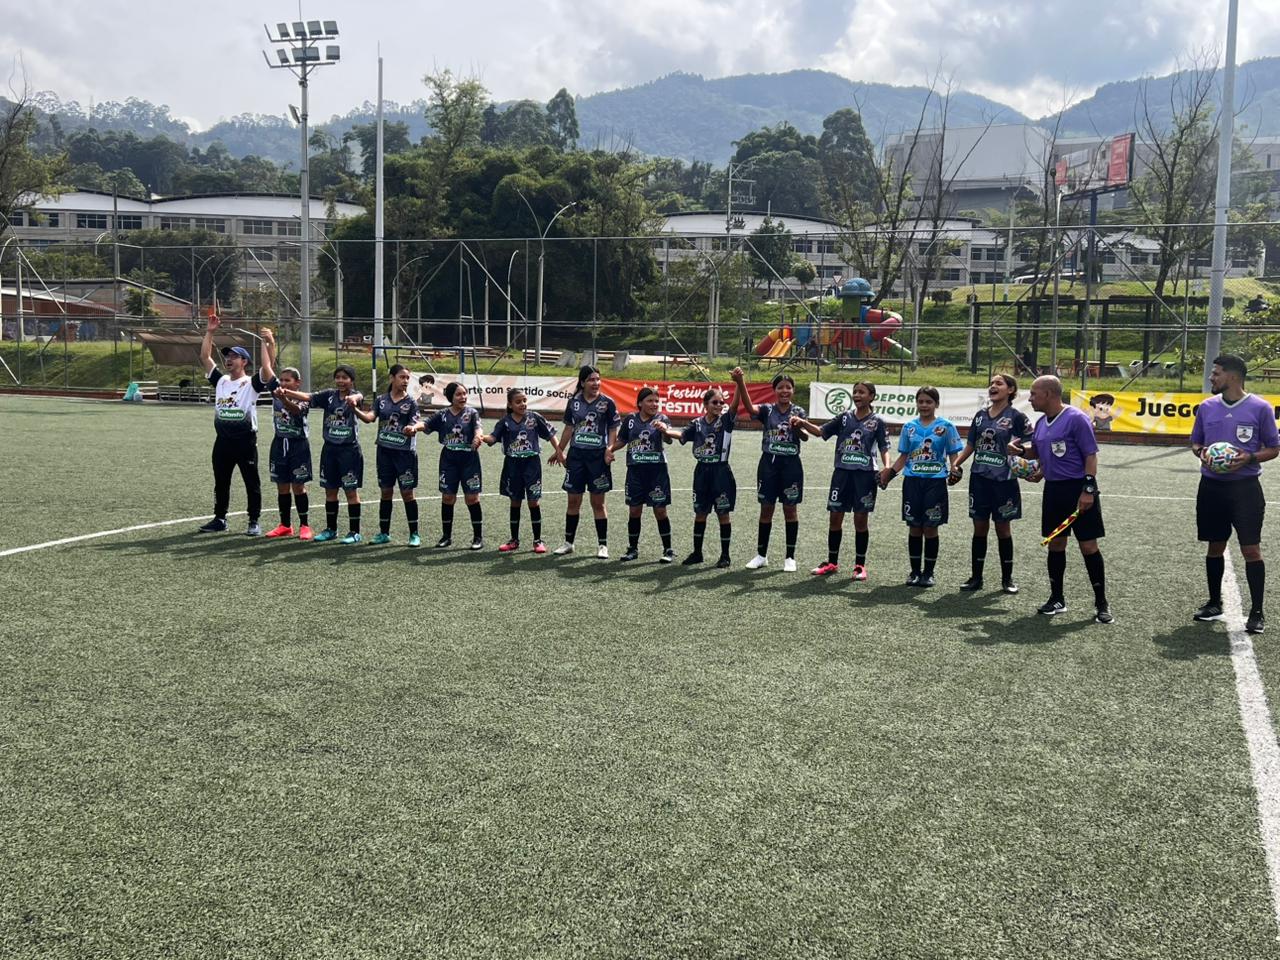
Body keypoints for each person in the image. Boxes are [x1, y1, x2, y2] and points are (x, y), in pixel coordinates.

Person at [1190, 355, 1280, 633]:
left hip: (1245, 490)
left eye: (1216, 373)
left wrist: (1249, 458)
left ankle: (1256, 611)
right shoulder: (1206, 407)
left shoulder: (1260, 408)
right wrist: (1203, 454)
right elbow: (1195, 443)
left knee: (1250, 549)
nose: (1211, 377)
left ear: (1232, 376)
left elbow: (1274, 448)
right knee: (1215, 546)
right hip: (1212, 488)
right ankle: (1214, 602)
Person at [1023, 375, 1112, 622]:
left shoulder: (1076, 419)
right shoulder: (1041, 422)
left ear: (1049, 394)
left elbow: (1090, 456)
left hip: (1078, 489)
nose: (1030, 398)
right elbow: (1040, 454)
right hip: (1053, 491)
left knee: (1088, 546)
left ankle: (1101, 603)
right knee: (1056, 544)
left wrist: (1088, 490)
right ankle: (1057, 598)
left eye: (1033, 394)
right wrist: (1026, 459)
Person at [793, 381, 888, 580]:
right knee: (835, 517)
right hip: (842, 474)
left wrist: (887, 468)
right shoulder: (845, 417)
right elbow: (820, 432)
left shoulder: (877, 421)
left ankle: (860, 566)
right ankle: (832, 562)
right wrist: (802, 423)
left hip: (865, 476)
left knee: (860, 521)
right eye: (855, 392)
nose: (857, 395)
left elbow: (883, 447)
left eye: (862, 392)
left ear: (871, 396)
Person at [951, 374, 1032, 593]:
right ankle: (976, 577)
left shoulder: (1017, 417)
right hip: (979, 479)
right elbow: (971, 445)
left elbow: (1033, 442)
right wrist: (956, 464)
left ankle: (1007, 579)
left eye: (999, 383)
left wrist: (1023, 455)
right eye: (992, 383)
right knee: (979, 528)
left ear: (1011, 390)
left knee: (1003, 529)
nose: (993, 386)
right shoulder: (980, 416)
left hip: (1004, 481)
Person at [196, 315, 277, 535]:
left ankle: (254, 521)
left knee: (251, 482)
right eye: (228, 356)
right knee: (221, 482)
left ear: (245, 362)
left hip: (245, 441)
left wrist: (268, 342)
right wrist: (210, 331)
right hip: (222, 442)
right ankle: (219, 518)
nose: (229, 359)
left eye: (235, 356)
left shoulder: (251, 383)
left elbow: (269, 367)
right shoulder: (221, 381)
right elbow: (205, 356)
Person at [879, 386, 964, 587]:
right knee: (915, 527)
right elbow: (904, 456)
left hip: (935, 483)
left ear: (936, 404)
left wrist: (955, 469)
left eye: (929, 402)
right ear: (916, 403)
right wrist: (889, 474)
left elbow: (954, 455)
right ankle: (915, 572)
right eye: (921, 401)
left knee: (931, 527)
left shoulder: (946, 426)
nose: (924, 405)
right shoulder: (909, 427)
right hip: (912, 482)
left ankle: (929, 573)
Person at [278, 364, 365, 544]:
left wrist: (355, 398)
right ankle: (331, 529)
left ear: (351, 380)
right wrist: (287, 392)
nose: (341, 381)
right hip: (329, 450)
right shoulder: (329, 396)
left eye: (345, 377)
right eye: (338, 377)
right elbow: (309, 397)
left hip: (349, 451)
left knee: (351, 492)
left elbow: (359, 396)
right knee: (330, 491)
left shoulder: (354, 396)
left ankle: (355, 532)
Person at [732, 367, 807, 572]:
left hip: (791, 466)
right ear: (774, 390)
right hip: (768, 465)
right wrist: (740, 382)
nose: (785, 391)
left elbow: (805, 437)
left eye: (788, 388)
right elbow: (749, 408)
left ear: (793, 390)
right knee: (766, 509)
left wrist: (798, 426)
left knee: (790, 510)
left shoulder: (798, 411)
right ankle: (761, 555)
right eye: (781, 387)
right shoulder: (767, 410)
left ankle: (790, 557)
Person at [549, 365, 619, 559]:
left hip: (598, 458)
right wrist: (559, 450)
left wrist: (609, 449)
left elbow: (613, 429)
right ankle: (568, 543)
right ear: (582, 383)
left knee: (598, 502)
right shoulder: (574, 403)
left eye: (598, 379)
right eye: (591, 380)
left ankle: (602, 545)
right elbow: (569, 429)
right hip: (577, 457)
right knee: (573, 501)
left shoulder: (608, 402)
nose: (595, 383)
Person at [355, 363, 422, 547]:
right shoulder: (382, 400)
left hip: (404, 454)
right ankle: (384, 533)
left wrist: (412, 428)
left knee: (407, 493)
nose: (405, 381)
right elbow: (370, 417)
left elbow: (416, 422)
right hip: (384, 452)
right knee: (386, 492)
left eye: (407, 378)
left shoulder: (411, 403)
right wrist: (355, 410)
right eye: (402, 377)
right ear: (392, 378)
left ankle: (414, 534)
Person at [482, 387, 556, 554]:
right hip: (512, 465)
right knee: (515, 501)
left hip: (532, 464)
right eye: (518, 401)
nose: (522, 404)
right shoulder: (505, 422)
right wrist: (482, 437)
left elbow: (550, 434)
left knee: (533, 501)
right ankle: (514, 540)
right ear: (510, 404)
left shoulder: (534, 418)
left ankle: (537, 541)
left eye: (524, 400)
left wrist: (559, 451)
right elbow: (493, 438)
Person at [612, 386, 681, 562]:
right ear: (640, 403)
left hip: (657, 471)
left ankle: (668, 550)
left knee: (660, 511)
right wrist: (609, 449)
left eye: (657, 401)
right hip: (635, 471)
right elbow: (622, 440)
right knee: (635, 511)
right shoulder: (630, 420)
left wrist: (664, 430)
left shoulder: (662, 418)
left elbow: (669, 441)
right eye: (650, 400)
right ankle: (632, 549)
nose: (654, 404)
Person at [421, 382, 485, 549]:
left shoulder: (472, 413)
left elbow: (479, 429)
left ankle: (478, 537)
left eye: (464, 394)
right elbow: (426, 424)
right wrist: (414, 427)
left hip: (469, 460)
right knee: (448, 497)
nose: (463, 397)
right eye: (458, 394)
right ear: (450, 397)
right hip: (449, 460)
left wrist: (478, 438)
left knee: (472, 498)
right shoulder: (442, 414)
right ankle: (446, 536)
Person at [679, 386, 737, 568]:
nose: (719, 405)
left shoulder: (726, 421)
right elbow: (681, 435)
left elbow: (735, 405)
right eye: (714, 402)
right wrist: (665, 430)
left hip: (721, 472)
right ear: (705, 404)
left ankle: (725, 555)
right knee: (700, 513)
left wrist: (739, 382)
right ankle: (697, 553)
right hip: (702, 472)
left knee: (723, 514)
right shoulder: (696, 423)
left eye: (721, 402)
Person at [264, 354, 314, 541]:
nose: (283, 383)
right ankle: (285, 525)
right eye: (282, 380)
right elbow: (267, 366)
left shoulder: (303, 399)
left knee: (298, 487)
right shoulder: (276, 391)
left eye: (287, 380)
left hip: (298, 445)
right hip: (279, 444)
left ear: (297, 383)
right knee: (282, 487)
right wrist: (267, 342)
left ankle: (305, 525)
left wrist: (284, 400)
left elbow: (296, 411)